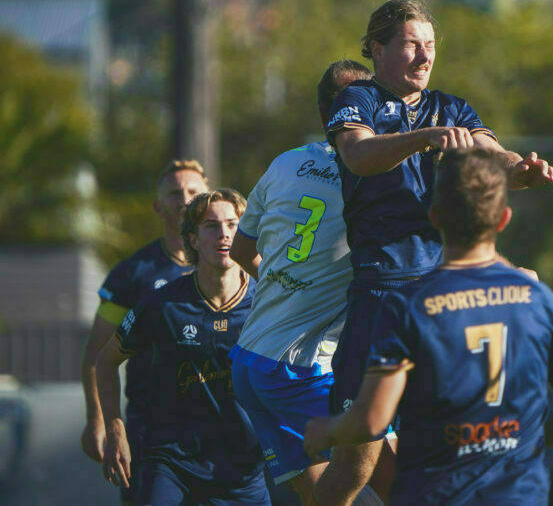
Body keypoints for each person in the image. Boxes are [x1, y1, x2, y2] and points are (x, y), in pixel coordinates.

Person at [318, 0, 553, 502]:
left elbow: (493, 155)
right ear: (378, 49)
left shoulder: (452, 106)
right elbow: (358, 155)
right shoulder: (358, 99)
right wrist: (422, 138)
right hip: (383, 292)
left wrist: (522, 171)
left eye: (429, 45)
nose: (424, 56)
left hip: (442, 295)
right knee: (355, 462)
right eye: (410, 44)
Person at [303, 148, 553, 504]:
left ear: (435, 218)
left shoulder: (409, 306)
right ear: (503, 219)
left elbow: (371, 419)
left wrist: (326, 431)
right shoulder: (536, 297)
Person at [229, 59, 383, 506]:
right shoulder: (371, 178)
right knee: (402, 480)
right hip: (298, 368)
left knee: (323, 499)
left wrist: (286, 283)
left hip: (249, 362)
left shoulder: (285, 163)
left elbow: (242, 250)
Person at [95, 189, 270, 505]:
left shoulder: (269, 302)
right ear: (192, 239)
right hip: (170, 462)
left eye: (233, 225)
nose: (224, 235)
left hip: (243, 469)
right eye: (212, 226)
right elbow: (105, 362)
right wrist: (114, 428)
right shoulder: (161, 304)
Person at [80, 159, 209, 505]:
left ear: (207, 199)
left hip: (220, 433)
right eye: (174, 192)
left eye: (193, 191)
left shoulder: (233, 268)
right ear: (158, 205)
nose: (184, 198)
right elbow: (96, 354)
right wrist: (100, 421)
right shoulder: (132, 274)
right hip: (151, 431)